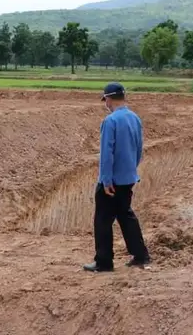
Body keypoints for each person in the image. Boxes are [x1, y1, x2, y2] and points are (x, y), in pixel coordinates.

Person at [83, 82, 151, 272]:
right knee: (125, 215)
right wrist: (130, 169)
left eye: (105, 99)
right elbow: (138, 149)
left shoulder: (110, 121)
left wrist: (106, 180)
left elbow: (107, 153)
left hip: (112, 181)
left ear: (109, 99)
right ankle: (140, 255)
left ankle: (104, 262)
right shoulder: (135, 118)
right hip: (128, 177)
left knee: (103, 220)